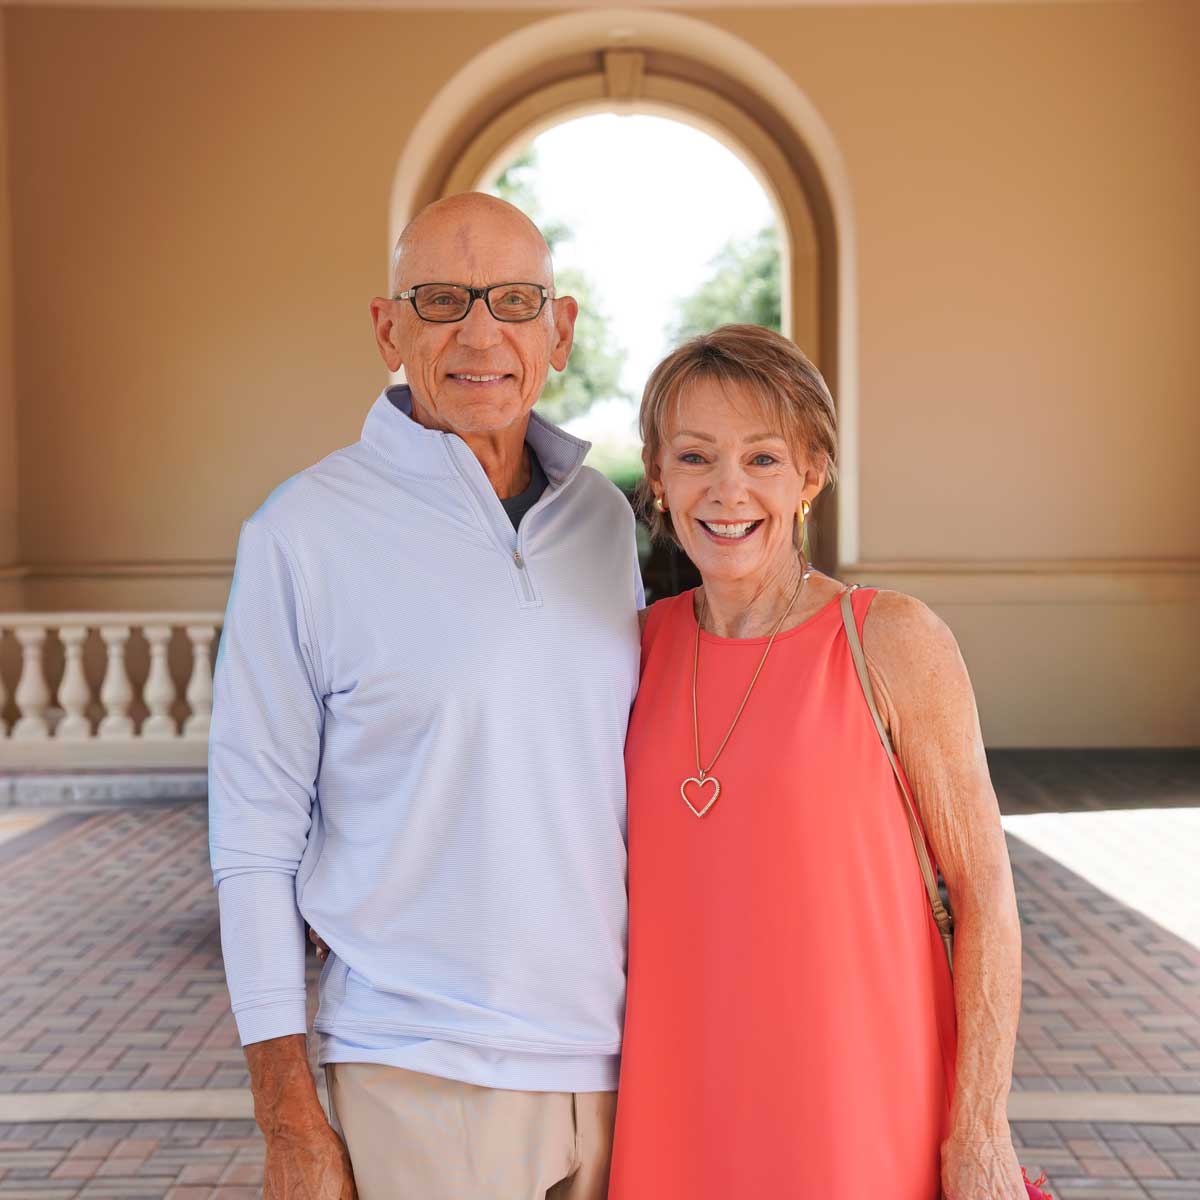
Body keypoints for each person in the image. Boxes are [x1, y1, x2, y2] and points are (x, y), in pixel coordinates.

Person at [208, 192, 643, 1200]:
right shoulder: (301, 533)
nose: (480, 333)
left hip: (623, 1065)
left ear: (560, 330)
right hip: (420, 1075)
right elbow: (253, 839)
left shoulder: (602, 521)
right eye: (442, 300)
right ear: (387, 328)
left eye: (515, 301)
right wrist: (287, 1120)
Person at [606, 324, 1028, 1198]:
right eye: (695, 456)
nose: (728, 491)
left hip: (862, 1116)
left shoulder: (889, 638)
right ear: (657, 476)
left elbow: (986, 894)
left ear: (811, 474)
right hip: (675, 1119)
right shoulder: (634, 651)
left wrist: (979, 1132)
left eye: (763, 458)